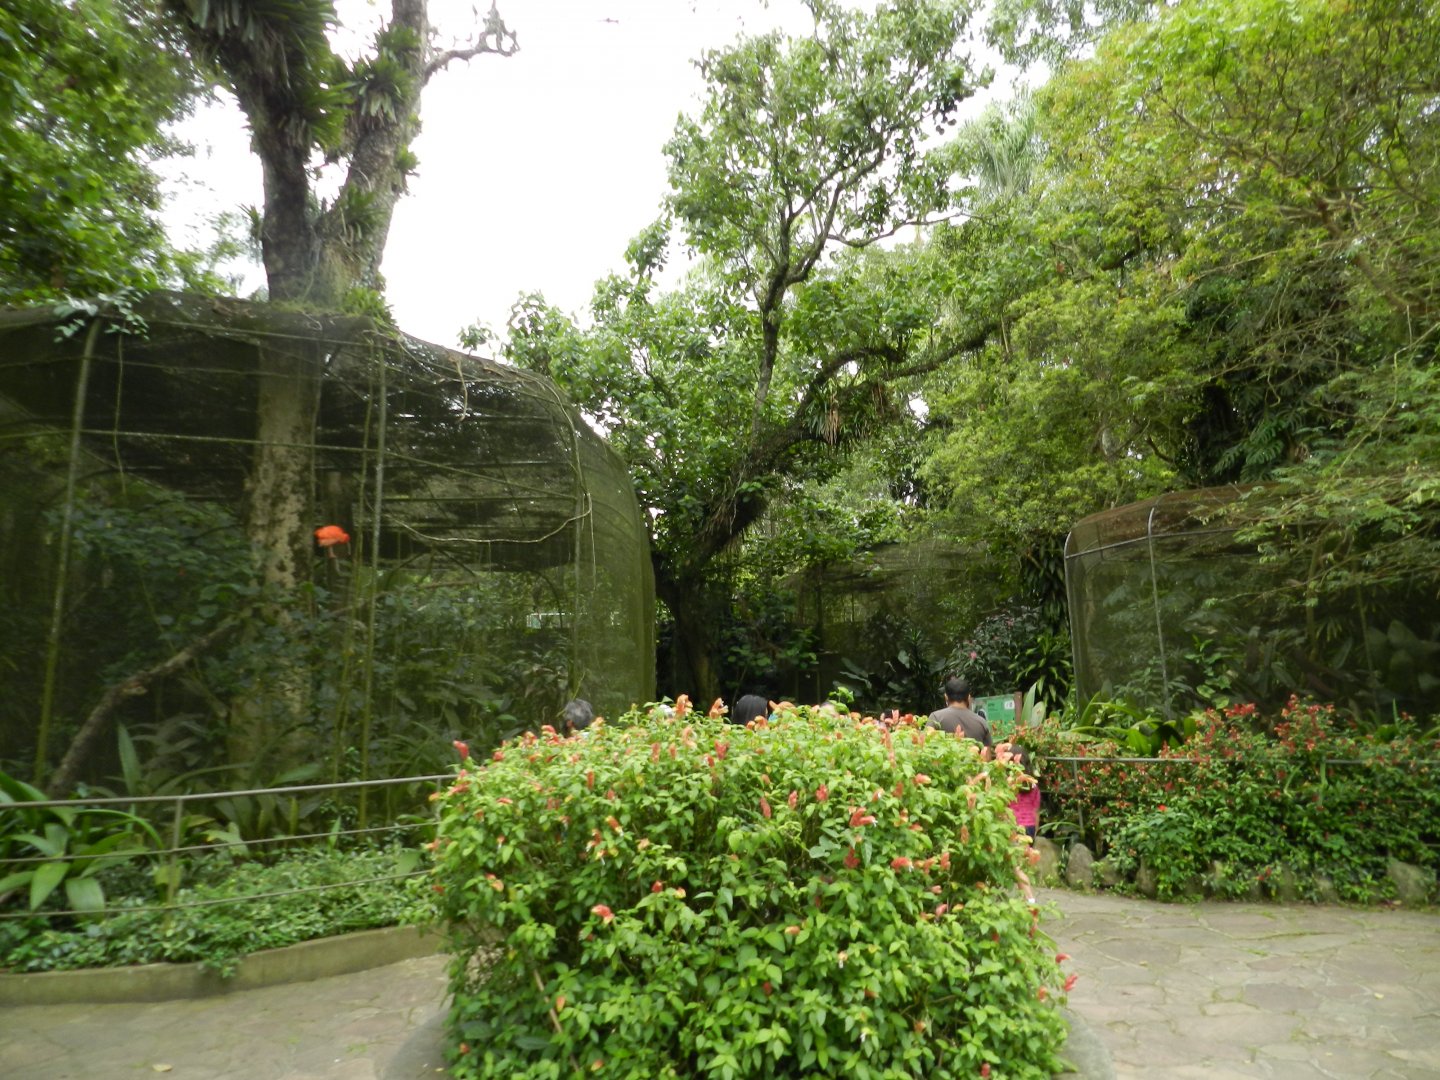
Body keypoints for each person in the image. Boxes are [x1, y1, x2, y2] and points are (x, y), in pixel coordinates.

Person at [926, 677, 992, 747]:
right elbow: (986, 756)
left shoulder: (936, 717)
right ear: (969, 697)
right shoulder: (981, 722)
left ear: (946, 697)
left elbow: (927, 746)